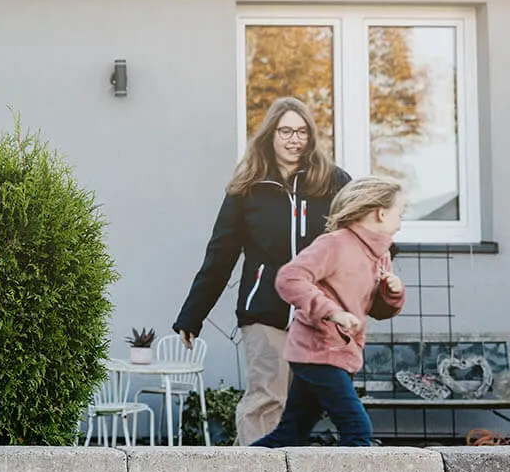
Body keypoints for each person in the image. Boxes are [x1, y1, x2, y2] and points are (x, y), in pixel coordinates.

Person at [173, 98, 350, 444]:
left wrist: (384, 254)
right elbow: (220, 255)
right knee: (268, 396)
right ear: (270, 135)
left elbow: (361, 226)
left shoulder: (332, 182)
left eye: (301, 132)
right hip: (264, 309)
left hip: (317, 312)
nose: (294, 139)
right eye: (286, 131)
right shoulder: (248, 189)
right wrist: (192, 315)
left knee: (304, 404)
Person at [251, 175, 408, 448]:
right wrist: (332, 312)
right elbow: (290, 278)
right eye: (400, 212)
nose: (402, 221)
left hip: (342, 351)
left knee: (290, 434)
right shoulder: (335, 244)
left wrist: (391, 293)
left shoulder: (380, 255)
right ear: (381, 213)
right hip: (317, 350)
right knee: (357, 428)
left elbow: (379, 311)